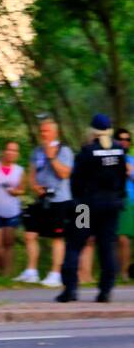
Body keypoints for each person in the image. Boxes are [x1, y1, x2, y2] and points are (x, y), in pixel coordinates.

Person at [58, 114, 127, 303]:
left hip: (85, 207)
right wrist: (118, 197)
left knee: (74, 245)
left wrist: (77, 201)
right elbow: (122, 178)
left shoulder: (87, 152)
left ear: (92, 131)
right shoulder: (119, 151)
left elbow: (76, 181)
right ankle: (105, 291)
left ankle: (70, 290)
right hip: (111, 206)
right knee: (106, 248)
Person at [17, 118, 73, 287]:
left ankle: (55, 273)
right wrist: (35, 186)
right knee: (30, 234)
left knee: (57, 237)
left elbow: (65, 174)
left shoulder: (64, 151)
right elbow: (32, 172)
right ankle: (31, 271)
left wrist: (52, 157)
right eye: (41, 131)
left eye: (46, 131)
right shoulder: (37, 151)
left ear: (54, 132)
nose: (43, 134)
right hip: (41, 199)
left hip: (59, 200)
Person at [0, 140, 25, 278]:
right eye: (9, 149)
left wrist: (16, 192)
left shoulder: (19, 170)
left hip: (12, 212)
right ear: (4, 151)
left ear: (17, 154)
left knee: (9, 244)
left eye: (15, 150)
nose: (11, 153)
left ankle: (7, 275)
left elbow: (22, 190)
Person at [117, 128, 134, 280]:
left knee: (123, 238)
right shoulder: (110, 157)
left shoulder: (131, 160)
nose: (124, 141)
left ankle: (124, 273)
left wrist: (130, 172)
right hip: (110, 200)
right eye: (121, 138)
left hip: (128, 200)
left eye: (127, 139)